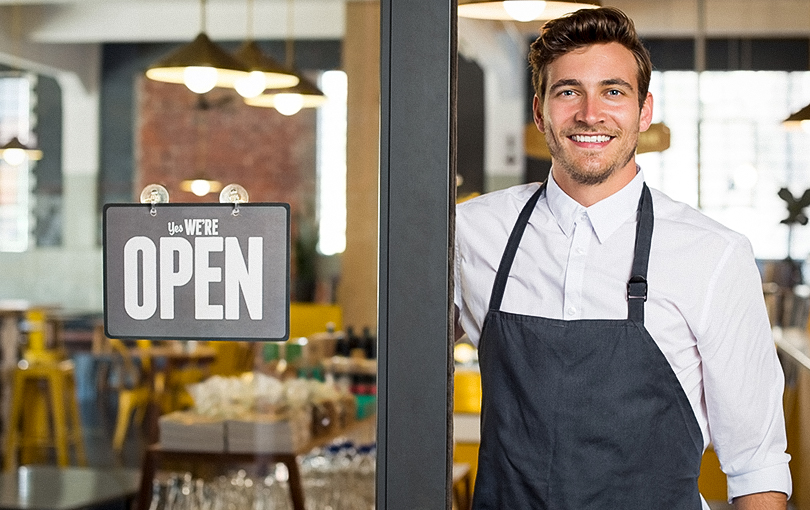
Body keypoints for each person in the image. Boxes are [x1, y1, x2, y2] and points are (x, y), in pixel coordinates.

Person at [454, 6, 792, 510]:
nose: (591, 113)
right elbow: (410, 371)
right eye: (568, 91)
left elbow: (756, 465)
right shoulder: (473, 232)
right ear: (541, 110)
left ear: (644, 109)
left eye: (613, 91)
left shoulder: (714, 254)